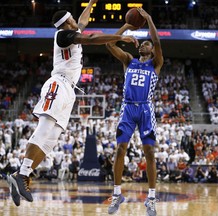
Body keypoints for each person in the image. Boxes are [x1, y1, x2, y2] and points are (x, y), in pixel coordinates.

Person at [7, 0, 138, 207]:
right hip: (58, 83)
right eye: (72, 18)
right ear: (67, 21)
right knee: (45, 127)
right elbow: (93, 39)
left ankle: (20, 175)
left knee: (51, 140)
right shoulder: (63, 35)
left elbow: (84, 21)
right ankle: (22, 173)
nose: (76, 20)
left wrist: (92, 2)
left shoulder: (71, 30)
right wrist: (120, 36)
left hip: (69, 90)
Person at [105, 7, 163, 216]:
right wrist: (127, 26)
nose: (146, 44)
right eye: (144, 42)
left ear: (152, 50)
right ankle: (117, 193)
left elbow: (157, 41)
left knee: (149, 152)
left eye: (148, 43)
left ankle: (152, 198)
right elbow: (109, 43)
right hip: (128, 108)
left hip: (146, 109)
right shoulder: (129, 60)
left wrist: (148, 20)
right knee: (120, 148)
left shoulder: (156, 64)